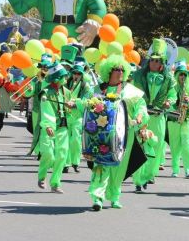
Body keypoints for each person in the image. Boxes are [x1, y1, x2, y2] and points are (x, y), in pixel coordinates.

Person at [88, 55, 148, 211]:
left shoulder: (130, 90)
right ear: (109, 71)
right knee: (101, 165)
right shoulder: (98, 90)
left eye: (122, 69)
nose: (120, 72)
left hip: (124, 135)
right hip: (102, 134)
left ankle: (114, 196)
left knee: (119, 168)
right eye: (116, 69)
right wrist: (77, 104)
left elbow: (141, 106)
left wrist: (140, 115)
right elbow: (86, 106)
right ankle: (98, 197)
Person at [131, 38, 177, 192]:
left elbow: (172, 94)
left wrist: (169, 101)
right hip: (142, 116)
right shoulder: (138, 76)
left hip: (158, 118)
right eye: (152, 60)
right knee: (140, 147)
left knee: (156, 149)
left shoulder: (169, 79)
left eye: (158, 61)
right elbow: (132, 93)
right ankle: (138, 179)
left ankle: (149, 175)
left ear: (162, 63)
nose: (154, 63)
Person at [37, 63, 71, 193]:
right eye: (63, 77)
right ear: (56, 78)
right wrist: (48, 126)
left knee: (62, 155)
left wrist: (71, 106)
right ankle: (42, 175)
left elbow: (71, 111)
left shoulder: (66, 92)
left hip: (63, 127)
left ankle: (55, 183)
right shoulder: (45, 93)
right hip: (49, 128)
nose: (65, 79)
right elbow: (46, 110)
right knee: (49, 154)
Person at [168, 61, 189, 178]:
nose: (183, 77)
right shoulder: (172, 88)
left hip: (187, 119)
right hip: (173, 119)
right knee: (175, 146)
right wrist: (174, 106)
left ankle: (188, 170)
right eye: (181, 74)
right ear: (176, 75)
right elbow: (168, 103)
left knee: (187, 144)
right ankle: (175, 169)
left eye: (185, 75)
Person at [64, 58, 92, 174]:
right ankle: (65, 163)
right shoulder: (65, 83)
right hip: (65, 115)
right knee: (64, 140)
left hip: (78, 116)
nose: (76, 75)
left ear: (82, 75)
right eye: (74, 72)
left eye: (79, 73)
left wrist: (75, 104)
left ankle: (75, 162)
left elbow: (86, 101)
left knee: (75, 139)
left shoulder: (86, 86)